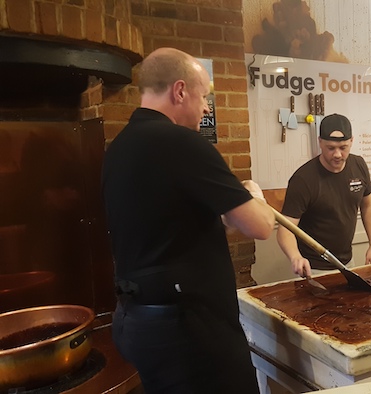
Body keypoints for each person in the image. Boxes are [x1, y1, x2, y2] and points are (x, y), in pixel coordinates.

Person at [101, 47, 275, 393]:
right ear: (180, 91)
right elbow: (261, 227)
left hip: (136, 320)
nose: (206, 108)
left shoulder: (119, 147)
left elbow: (175, 231)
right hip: (186, 330)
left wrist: (228, 211)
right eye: (204, 96)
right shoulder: (181, 143)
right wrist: (255, 197)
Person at [277, 113, 371, 277]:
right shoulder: (303, 179)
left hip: (347, 263)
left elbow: (367, 206)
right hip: (313, 268)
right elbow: (285, 228)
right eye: (331, 148)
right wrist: (295, 257)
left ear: (351, 141)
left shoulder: (359, 165)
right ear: (320, 142)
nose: (337, 154)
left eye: (343, 147)